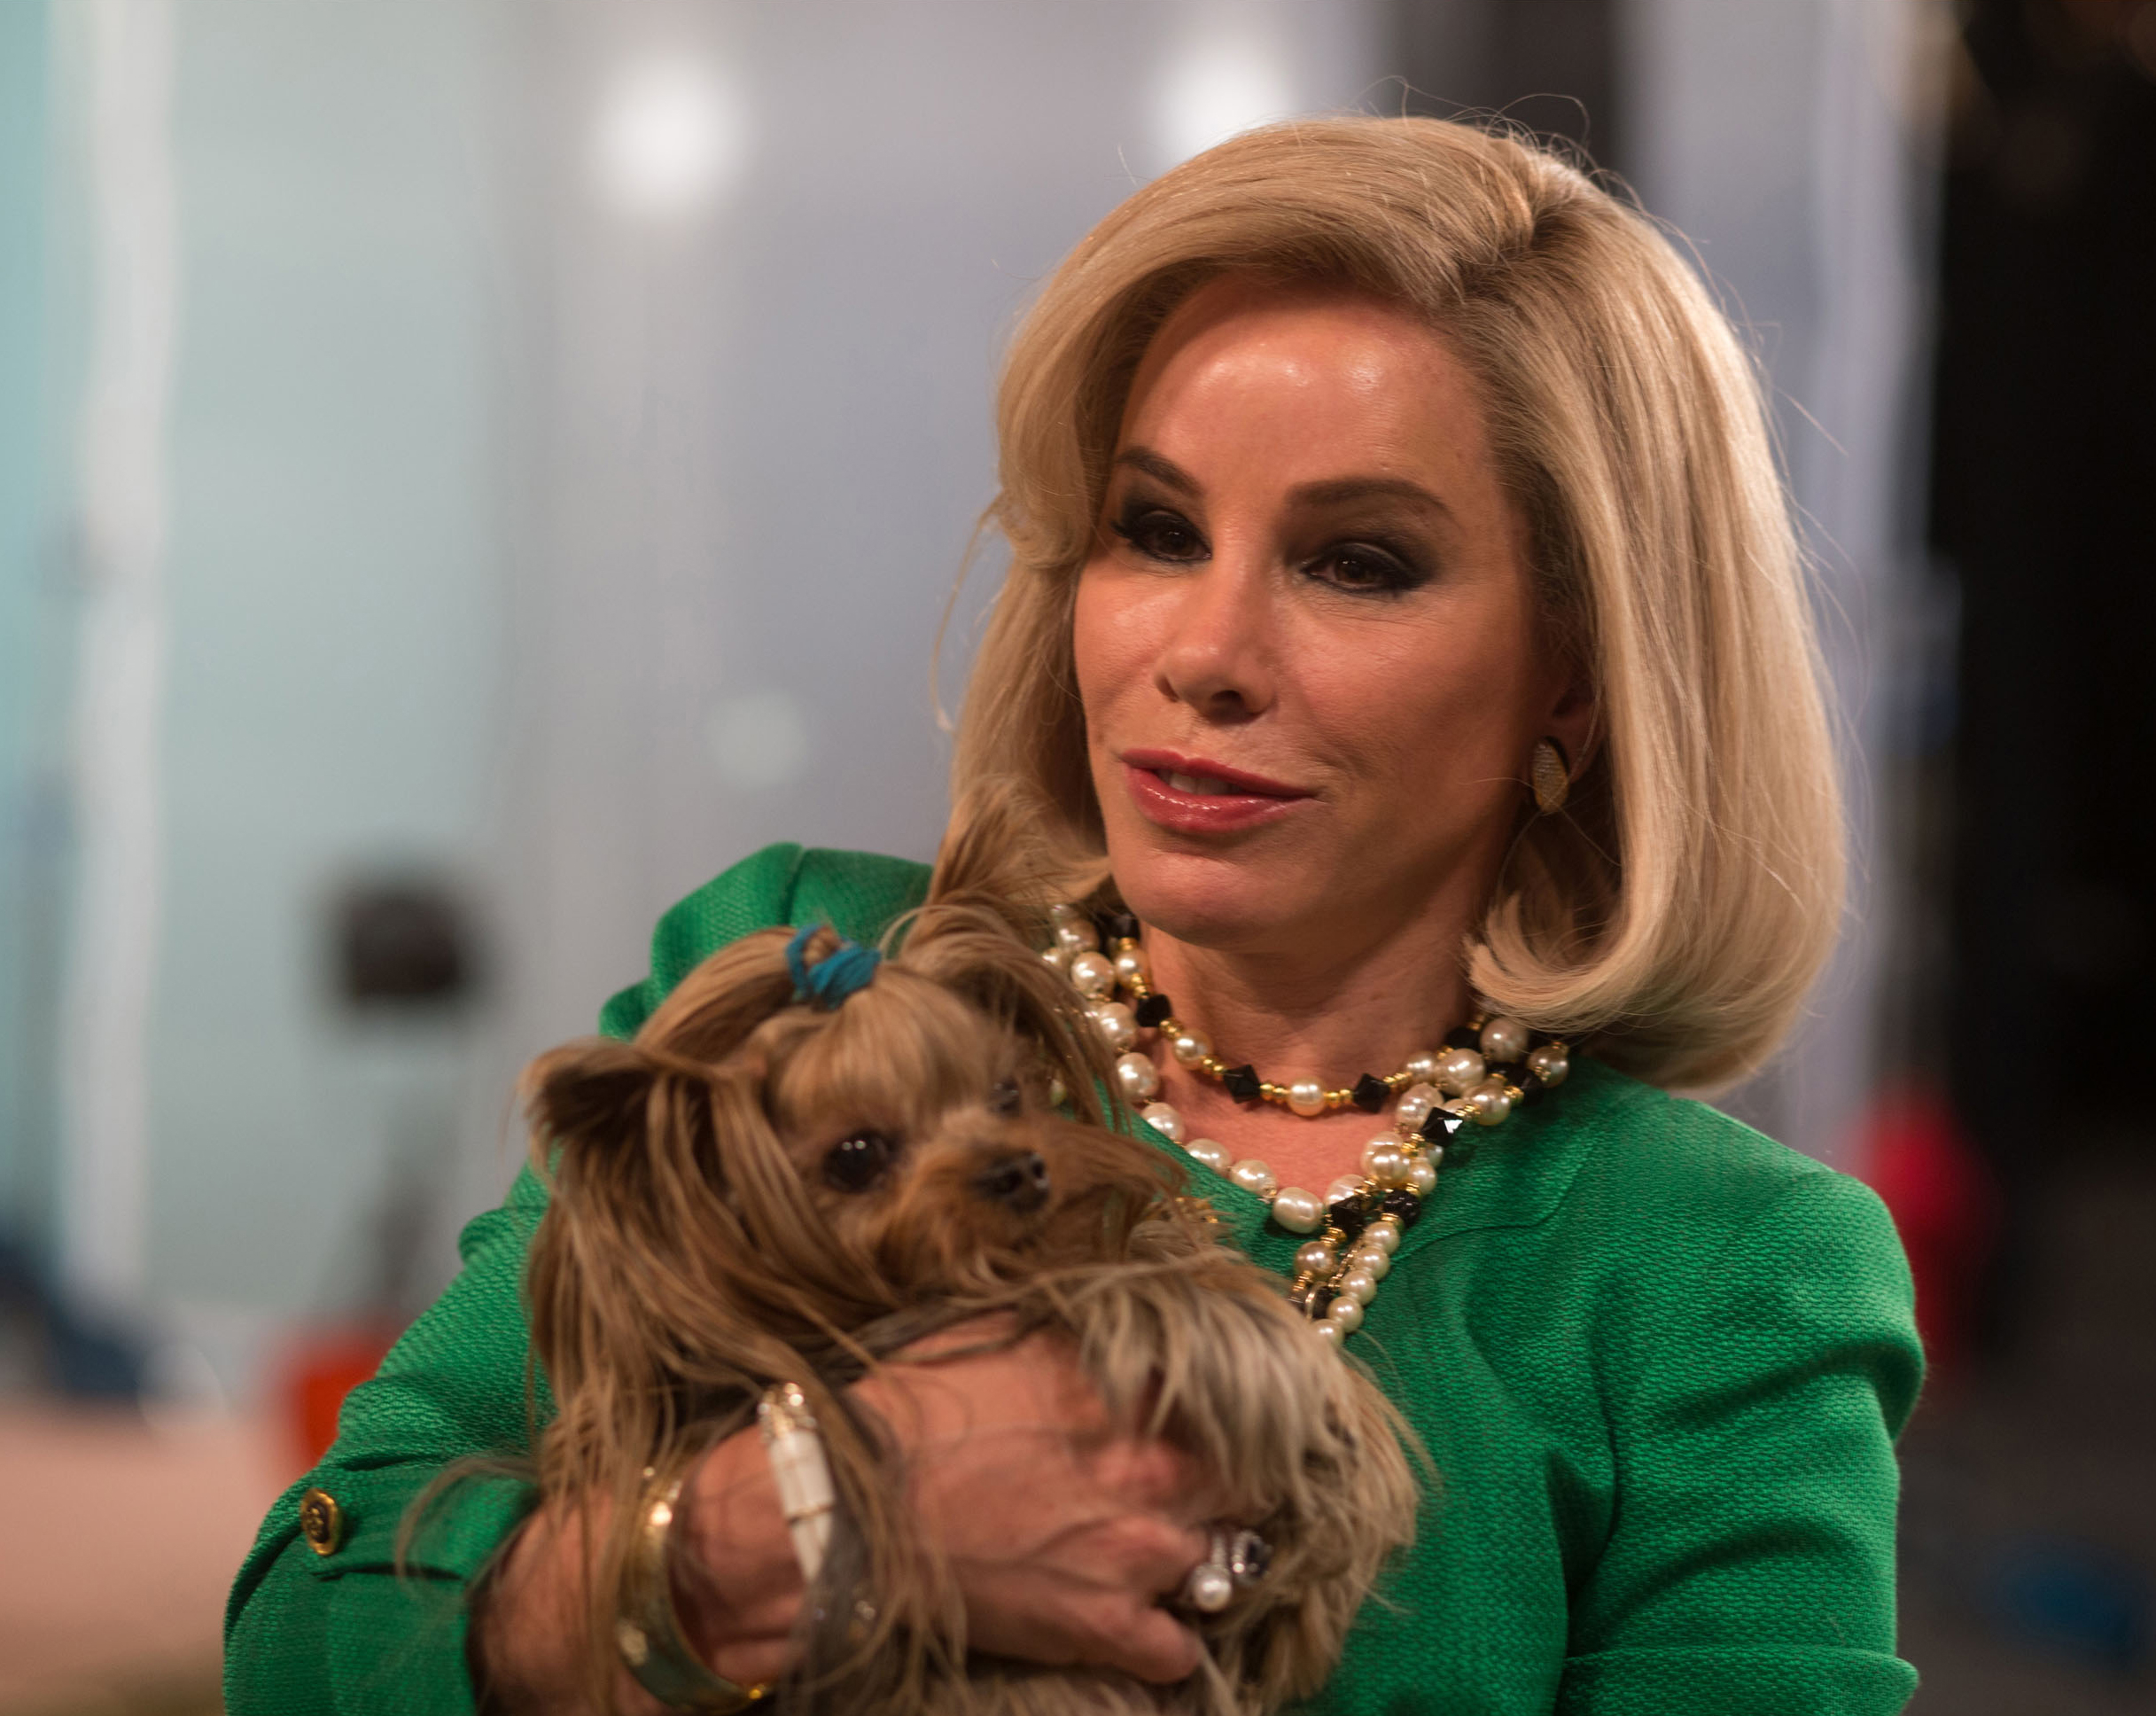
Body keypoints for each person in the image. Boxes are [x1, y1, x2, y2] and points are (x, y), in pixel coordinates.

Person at [225, 115, 1920, 1715]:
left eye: (1359, 562)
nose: (1203, 652)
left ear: (1578, 675)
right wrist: (800, 1531)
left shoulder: (1721, 1270)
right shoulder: (799, 973)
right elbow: (309, 1637)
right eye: (1157, 530)